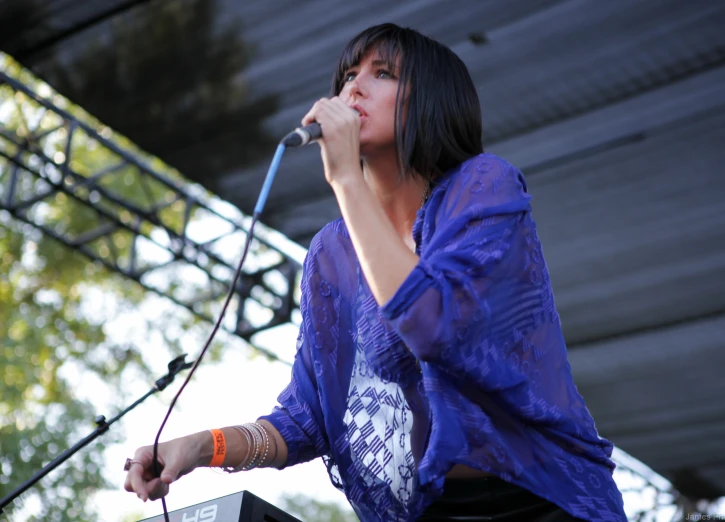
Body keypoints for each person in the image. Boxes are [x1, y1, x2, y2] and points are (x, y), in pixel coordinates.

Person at [125, 23, 628, 522]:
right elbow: (306, 419)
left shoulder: (483, 186)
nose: (353, 88)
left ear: (431, 100)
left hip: (545, 500)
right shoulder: (329, 255)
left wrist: (346, 177)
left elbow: (434, 323)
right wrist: (201, 446)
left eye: (382, 73)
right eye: (347, 75)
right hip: (427, 511)